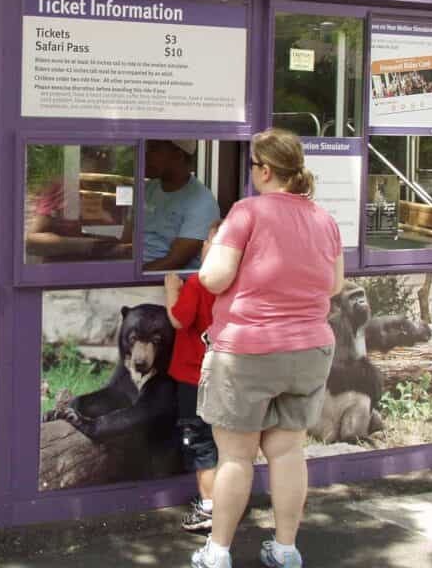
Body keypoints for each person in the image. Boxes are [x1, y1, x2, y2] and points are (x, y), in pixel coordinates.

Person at [190, 128, 344, 568]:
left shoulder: (246, 213)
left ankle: (217, 552)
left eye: (254, 165)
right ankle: (285, 548)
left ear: (267, 170)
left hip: (247, 351)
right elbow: (334, 284)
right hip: (310, 351)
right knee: (289, 451)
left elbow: (214, 278)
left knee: (236, 455)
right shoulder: (323, 219)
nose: (252, 172)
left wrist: (209, 254)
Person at [164, 220, 221, 533]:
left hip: (193, 377)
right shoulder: (240, 283)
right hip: (229, 377)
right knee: (225, 443)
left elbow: (177, 319)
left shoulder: (199, 284)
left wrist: (172, 290)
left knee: (200, 442)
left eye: (208, 243)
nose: (203, 247)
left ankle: (209, 508)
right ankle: (226, 504)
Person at [143, 139, 219, 271]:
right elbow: (128, 242)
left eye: (154, 149)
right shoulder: (146, 189)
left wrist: (126, 276)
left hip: (163, 282)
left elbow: (174, 261)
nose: (145, 155)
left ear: (178, 155)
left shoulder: (201, 202)